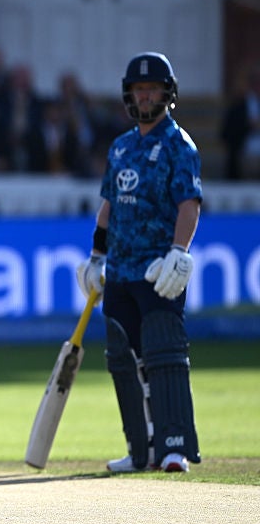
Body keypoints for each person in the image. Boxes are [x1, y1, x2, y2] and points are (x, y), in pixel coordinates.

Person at [76, 51, 202, 474]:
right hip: (122, 271)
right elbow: (108, 208)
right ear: (129, 95)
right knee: (124, 359)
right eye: (138, 89)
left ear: (167, 94)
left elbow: (189, 205)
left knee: (164, 352)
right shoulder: (121, 147)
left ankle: (174, 446)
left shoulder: (179, 145)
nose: (145, 96)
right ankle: (140, 448)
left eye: (152, 88)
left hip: (158, 269)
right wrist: (96, 257)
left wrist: (179, 253)